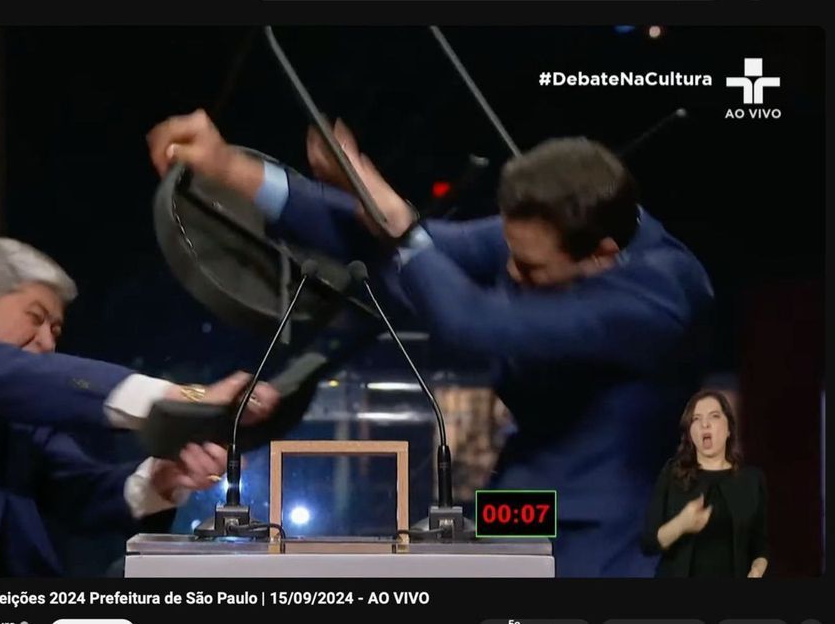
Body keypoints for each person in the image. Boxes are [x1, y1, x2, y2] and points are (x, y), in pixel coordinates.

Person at [144, 110, 715, 577]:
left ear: (603, 255)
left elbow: (475, 320)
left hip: (605, 535)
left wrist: (397, 223)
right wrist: (230, 167)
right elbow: (411, 242)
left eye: (532, 269)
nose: (511, 272)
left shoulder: (661, 297)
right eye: (510, 254)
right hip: (521, 498)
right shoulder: (561, 231)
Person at [0, 237, 280, 577]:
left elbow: (79, 488)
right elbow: (4, 373)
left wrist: (162, 479)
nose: (47, 343)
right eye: (35, 318)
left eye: (56, 330)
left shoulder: (12, 407)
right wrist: (186, 398)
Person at [642, 390, 768, 577]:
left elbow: (761, 546)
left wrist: (758, 569)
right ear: (690, 432)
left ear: (729, 429)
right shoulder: (672, 474)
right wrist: (681, 524)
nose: (705, 424)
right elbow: (648, 543)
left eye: (714, 416)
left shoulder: (752, 479)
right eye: (696, 419)